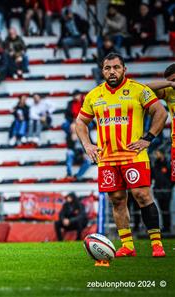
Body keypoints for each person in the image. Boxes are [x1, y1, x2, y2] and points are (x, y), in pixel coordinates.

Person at [75, 53, 167, 258]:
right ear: (102, 71)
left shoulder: (138, 90)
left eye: (116, 67)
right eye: (108, 68)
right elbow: (80, 122)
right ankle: (127, 245)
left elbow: (160, 112)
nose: (112, 71)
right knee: (117, 200)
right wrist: (87, 144)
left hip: (133, 155)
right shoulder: (94, 95)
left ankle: (157, 244)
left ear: (124, 69)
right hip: (107, 158)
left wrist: (148, 138)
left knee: (142, 196)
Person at [146, 64, 175, 182]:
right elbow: (147, 88)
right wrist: (169, 84)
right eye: (171, 81)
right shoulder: (169, 91)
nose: (173, 84)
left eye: (174, 80)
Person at [151, 149, 172, 233]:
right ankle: (164, 226)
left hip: (166, 191)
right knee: (162, 210)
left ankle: (168, 227)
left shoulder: (168, 164)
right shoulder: (155, 165)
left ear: (162, 154)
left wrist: (169, 186)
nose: (156, 155)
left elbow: (172, 178)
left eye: (157, 153)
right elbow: (153, 176)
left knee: (166, 209)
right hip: (158, 191)